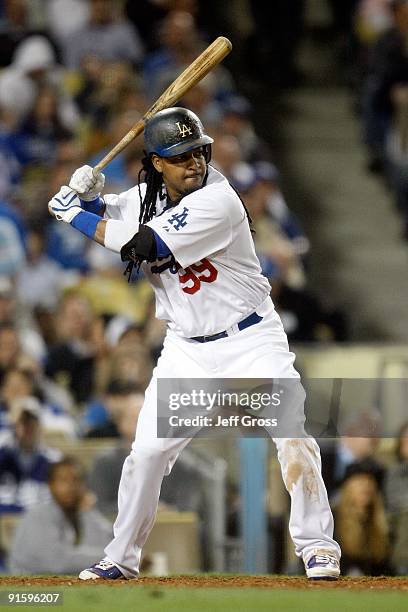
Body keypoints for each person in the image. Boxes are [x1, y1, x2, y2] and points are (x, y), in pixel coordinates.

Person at [47, 107, 341, 580]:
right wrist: (83, 196)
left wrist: (71, 215)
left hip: (250, 340)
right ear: (157, 163)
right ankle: (120, 560)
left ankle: (318, 548)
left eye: (198, 153)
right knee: (146, 454)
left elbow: (142, 247)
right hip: (187, 348)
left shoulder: (218, 201)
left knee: (293, 437)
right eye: (180, 156)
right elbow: (118, 210)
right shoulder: (148, 194)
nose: (194, 164)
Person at [9, 456, 112, 574]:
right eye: (63, 480)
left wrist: (88, 513)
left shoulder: (80, 514)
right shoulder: (38, 515)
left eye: (76, 480)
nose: (70, 486)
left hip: (62, 584)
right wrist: (113, 560)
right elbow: (57, 562)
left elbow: (108, 544)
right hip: (27, 587)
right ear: (51, 485)